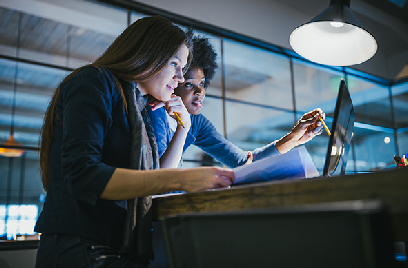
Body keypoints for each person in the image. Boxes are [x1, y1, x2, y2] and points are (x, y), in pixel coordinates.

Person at [34, 16, 236, 268]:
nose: (180, 78)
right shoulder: (94, 81)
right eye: (174, 64)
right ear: (147, 54)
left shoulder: (141, 107)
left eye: (182, 69)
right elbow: (84, 175)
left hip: (115, 246)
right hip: (82, 245)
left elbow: (155, 183)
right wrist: (182, 179)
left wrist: (183, 129)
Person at [149, 34, 325, 169]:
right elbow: (160, 178)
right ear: (173, 81)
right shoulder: (155, 111)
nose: (200, 92)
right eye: (189, 85)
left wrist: (294, 138)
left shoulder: (196, 122)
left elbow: (243, 162)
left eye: (202, 84)